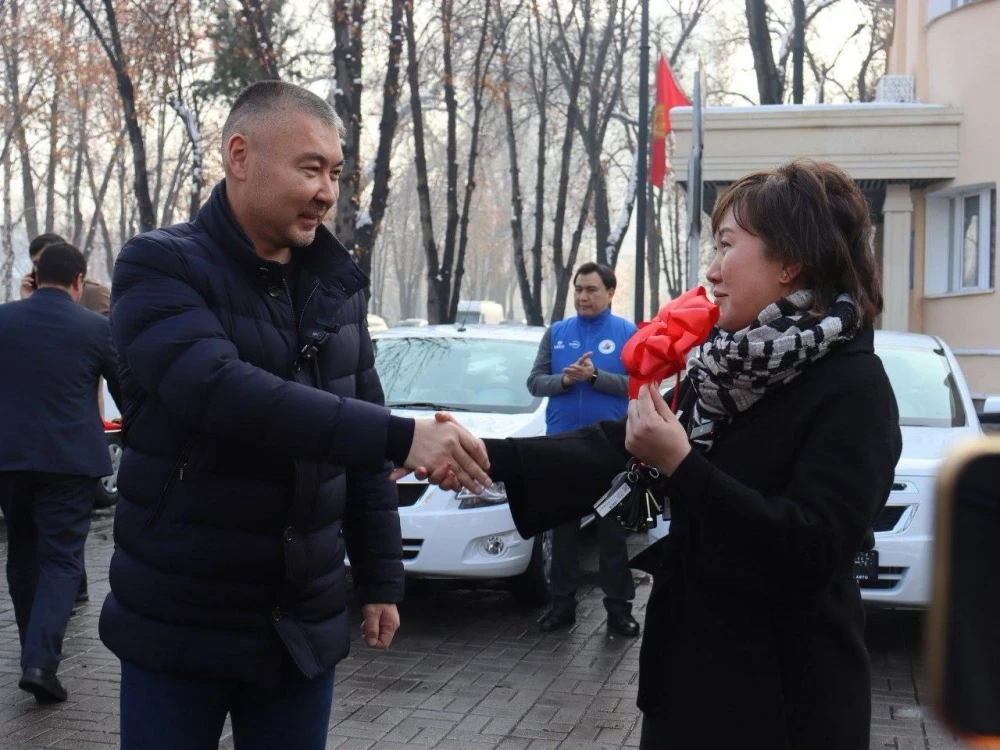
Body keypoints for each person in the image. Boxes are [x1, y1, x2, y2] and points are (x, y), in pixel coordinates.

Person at [431, 160, 902, 749]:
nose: (712, 270)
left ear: (790, 262)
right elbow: (622, 446)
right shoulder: (724, 367)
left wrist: (684, 466)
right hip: (687, 685)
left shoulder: (854, 386)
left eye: (727, 246)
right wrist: (487, 457)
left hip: (782, 703)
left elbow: (813, 548)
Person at [102, 80, 490, 750]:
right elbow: (221, 393)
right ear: (240, 156)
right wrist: (403, 437)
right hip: (180, 619)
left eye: (335, 173)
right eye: (310, 169)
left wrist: (380, 578)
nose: (327, 192)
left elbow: (360, 434)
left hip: (300, 625)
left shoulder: (335, 290)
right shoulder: (160, 265)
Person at [0, 242, 121, 703]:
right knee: (62, 561)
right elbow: (126, 388)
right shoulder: (94, 327)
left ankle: (32, 653)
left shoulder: (3, 320)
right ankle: (40, 662)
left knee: (21, 556)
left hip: (9, 459)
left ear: (35, 276)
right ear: (78, 281)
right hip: (70, 462)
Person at [525, 262, 639, 636]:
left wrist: (594, 377)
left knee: (612, 535)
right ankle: (562, 606)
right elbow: (534, 383)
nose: (583, 297)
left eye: (591, 290)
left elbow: (636, 385)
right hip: (563, 447)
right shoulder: (557, 333)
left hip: (609, 449)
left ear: (610, 292)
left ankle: (619, 611)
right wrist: (564, 380)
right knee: (563, 533)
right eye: (578, 289)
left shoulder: (627, 333)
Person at [22, 232, 113, 604]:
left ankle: (74, 587)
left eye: (42, 261)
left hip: (75, 426)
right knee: (44, 535)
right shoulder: (26, 304)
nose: (38, 270)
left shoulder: (94, 296)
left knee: (65, 530)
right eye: (35, 264)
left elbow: (110, 349)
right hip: (31, 431)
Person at [21, 232, 111, 313]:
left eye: (48, 259)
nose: (43, 267)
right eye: (36, 264)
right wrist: (28, 302)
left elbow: (104, 324)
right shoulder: (34, 292)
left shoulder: (94, 292)